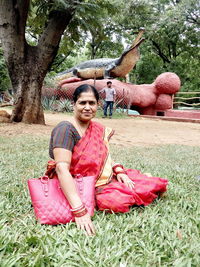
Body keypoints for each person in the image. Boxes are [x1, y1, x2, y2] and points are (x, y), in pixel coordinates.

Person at [47, 84, 168, 236]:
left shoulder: (97, 128)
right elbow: (61, 168)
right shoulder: (65, 128)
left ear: (98, 105)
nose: (87, 107)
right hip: (74, 183)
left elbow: (103, 157)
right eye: (82, 103)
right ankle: (141, 180)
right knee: (115, 202)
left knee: (135, 187)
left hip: (101, 181)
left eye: (91, 103)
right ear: (74, 104)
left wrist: (118, 170)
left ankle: (141, 179)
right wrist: (78, 209)